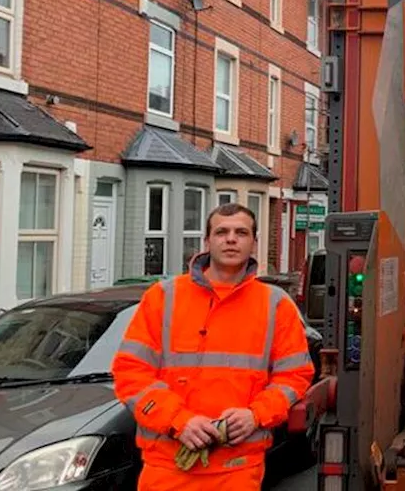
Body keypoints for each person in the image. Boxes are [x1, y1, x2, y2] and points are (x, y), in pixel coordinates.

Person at [112, 203, 315, 490]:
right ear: (207, 242)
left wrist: (255, 415)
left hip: (238, 469)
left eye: (241, 232)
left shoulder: (275, 305)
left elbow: (294, 377)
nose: (231, 239)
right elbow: (130, 373)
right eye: (222, 232)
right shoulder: (163, 297)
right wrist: (178, 420)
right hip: (167, 468)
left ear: (254, 243)